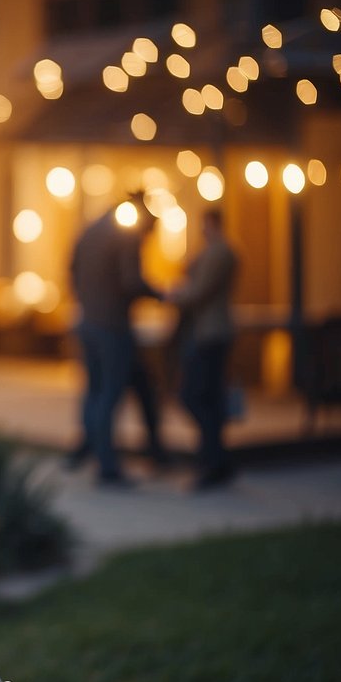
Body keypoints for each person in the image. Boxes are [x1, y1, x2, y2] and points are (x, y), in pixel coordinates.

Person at [68, 193, 162, 485]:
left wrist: (87, 301)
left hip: (87, 323)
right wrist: (161, 294)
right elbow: (131, 280)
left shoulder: (90, 229)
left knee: (98, 390)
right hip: (112, 326)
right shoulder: (125, 233)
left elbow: (71, 270)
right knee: (110, 393)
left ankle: (92, 448)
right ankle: (107, 464)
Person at [169, 208, 239, 489]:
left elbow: (200, 292)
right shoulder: (213, 251)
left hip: (210, 334)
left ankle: (212, 459)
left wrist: (174, 295)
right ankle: (215, 460)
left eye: (204, 224)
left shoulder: (221, 252)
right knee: (207, 398)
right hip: (207, 333)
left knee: (193, 396)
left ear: (213, 223)